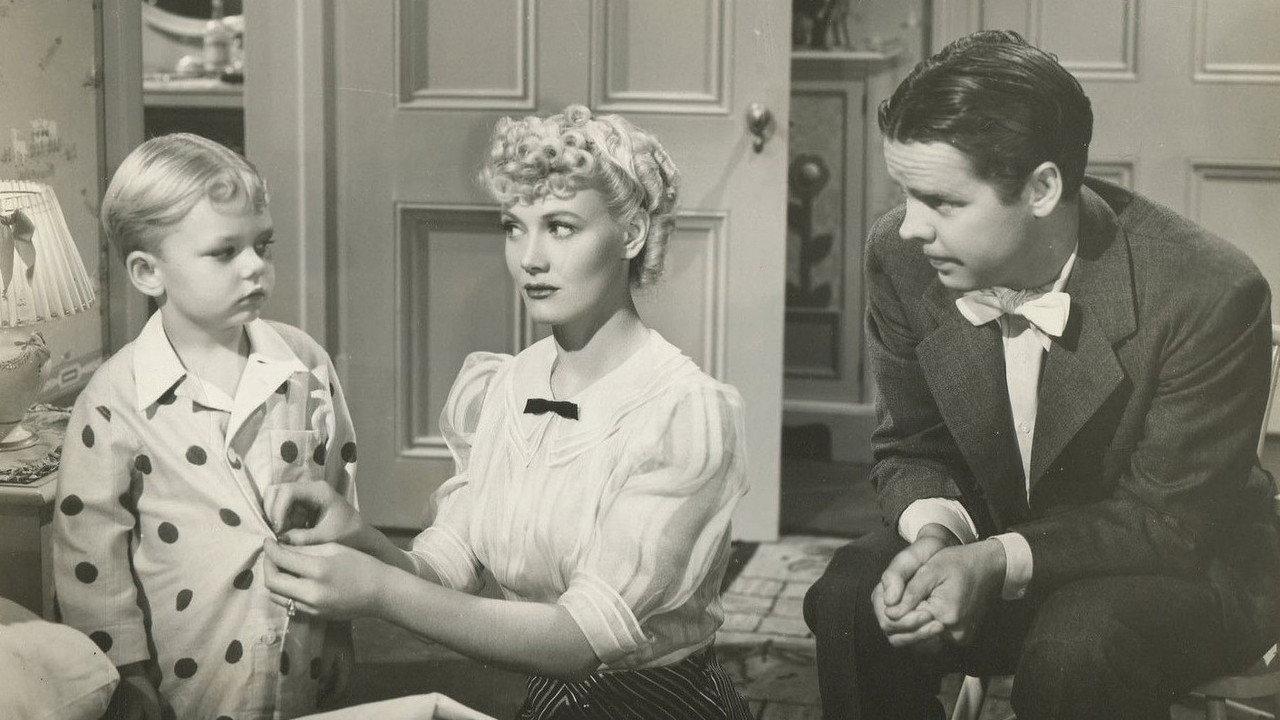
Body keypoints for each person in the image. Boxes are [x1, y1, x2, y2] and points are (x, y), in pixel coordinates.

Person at [803, 30, 1280, 720]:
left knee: (1077, 645)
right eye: (907, 195)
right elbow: (911, 444)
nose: (910, 228)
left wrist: (997, 561)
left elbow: (1169, 522)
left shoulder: (1207, 290)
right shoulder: (901, 258)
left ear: (1042, 189)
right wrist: (937, 538)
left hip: (1177, 565)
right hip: (996, 544)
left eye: (943, 202)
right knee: (853, 594)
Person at [260, 105, 753, 719]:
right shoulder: (505, 383)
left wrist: (380, 593)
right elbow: (447, 570)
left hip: (659, 707)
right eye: (514, 228)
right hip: (546, 701)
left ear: (631, 236)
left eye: (561, 227)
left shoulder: (684, 413)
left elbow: (577, 641)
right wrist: (361, 539)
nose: (530, 259)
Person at [52, 133, 358, 720]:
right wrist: (126, 674)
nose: (255, 267)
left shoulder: (304, 364)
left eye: (262, 245)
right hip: (184, 671)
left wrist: (343, 623)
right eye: (224, 252)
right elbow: (90, 554)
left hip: (301, 653)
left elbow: (338, 499)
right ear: (148, 272)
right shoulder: (116, 398)